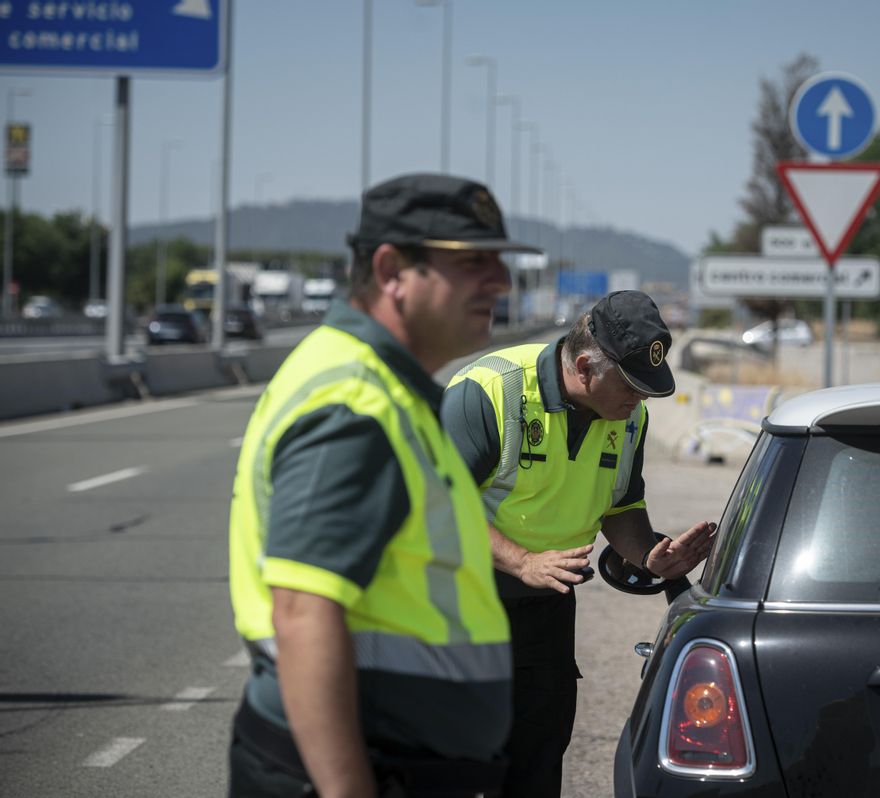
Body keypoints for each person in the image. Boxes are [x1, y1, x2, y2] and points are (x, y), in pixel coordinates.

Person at [227, 173, 539, 797]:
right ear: (393, 269)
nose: (500, 282)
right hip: (362, 767)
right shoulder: (357, 403)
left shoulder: (387, 388)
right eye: (471, 262)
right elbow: (304, 611)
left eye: (498, 261)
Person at [442, 290, 716, 798]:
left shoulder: (628, 417)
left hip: (546, 610)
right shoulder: (489, 392)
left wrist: (650, 556)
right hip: (457, 608)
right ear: (586, 366)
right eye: (633, 385)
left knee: (537, 763)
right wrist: (521, 560)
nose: (641, 399)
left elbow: (621, 506)